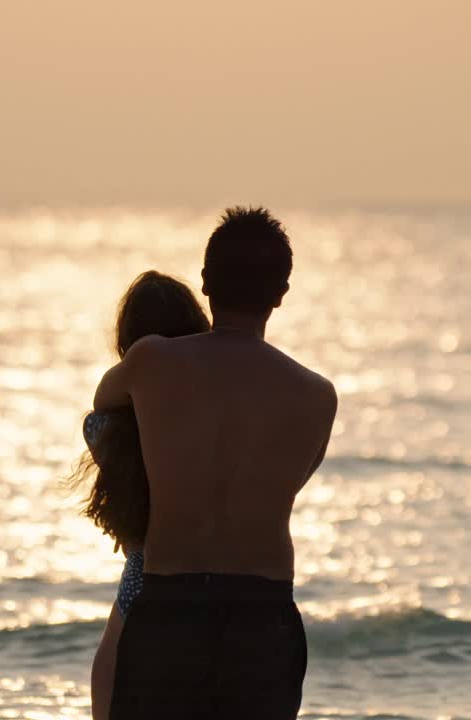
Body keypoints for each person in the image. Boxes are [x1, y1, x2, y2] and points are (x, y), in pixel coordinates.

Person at [93, 207, 338, 719]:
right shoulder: (316, 396)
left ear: (205, 283)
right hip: (263, 617)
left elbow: (104, 404)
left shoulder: (153, 360)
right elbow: (295, 478)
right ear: (282, 293)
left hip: (168, 611)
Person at [66, 270, 211, 720]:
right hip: (220, 590)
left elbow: (102, 403)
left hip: (139, 594)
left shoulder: (108, 432)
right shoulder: (220, 421)